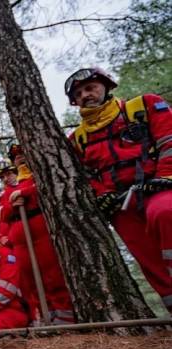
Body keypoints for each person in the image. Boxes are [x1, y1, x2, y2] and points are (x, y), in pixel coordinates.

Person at [66, 66, 172, 312]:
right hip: (120, 204)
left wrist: (165, 175)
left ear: (106, 86)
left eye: (90, 88)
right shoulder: (78, 139)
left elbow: (169, 139)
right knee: (147, 259)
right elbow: (83, 176)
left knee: (166, 214)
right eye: (79, 94)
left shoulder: (143, 107)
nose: (85, 95)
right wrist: (101, 194)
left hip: (158, 188)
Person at [0, 144, 75, 324]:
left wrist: (24, 192)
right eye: (16, 157)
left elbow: (46, 188)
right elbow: (0, 214)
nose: (20, 159)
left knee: (52, 274)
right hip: (19, 239)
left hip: (41, 232)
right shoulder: (5, 192)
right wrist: (12, 204)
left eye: (22, 154)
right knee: (29, 279)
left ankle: (63, 314)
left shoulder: (38, 176)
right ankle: (43, 315)